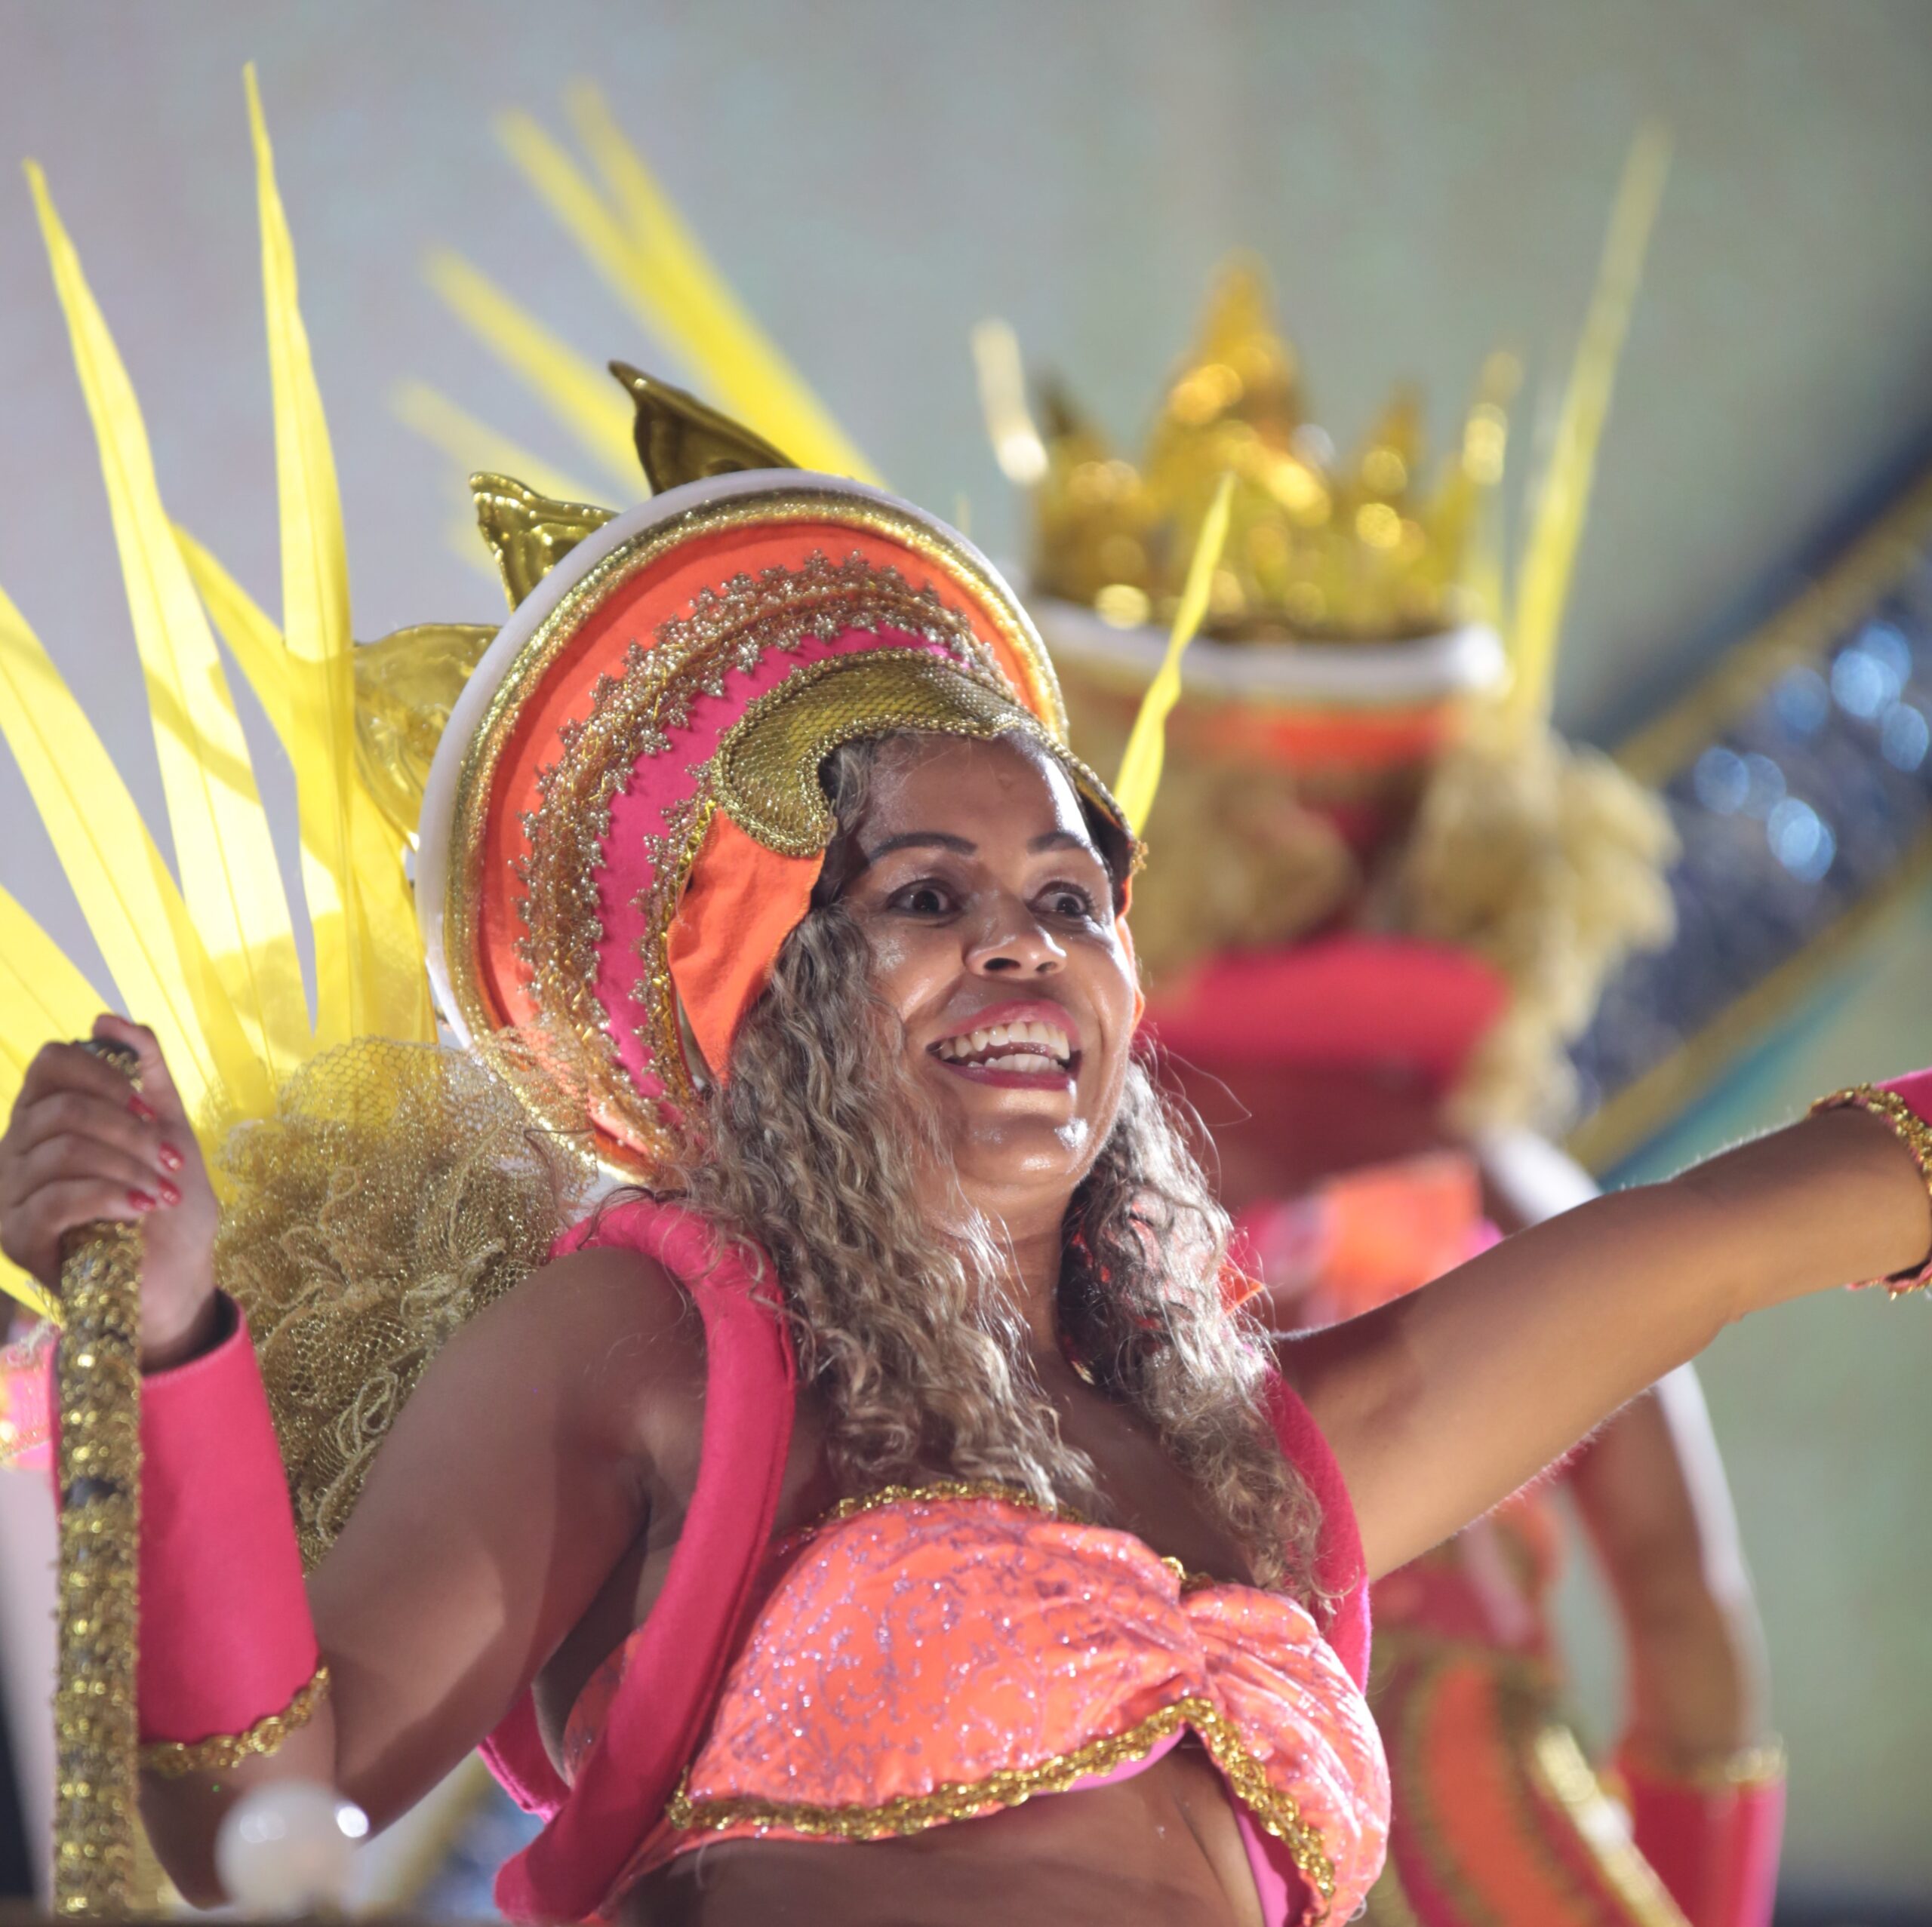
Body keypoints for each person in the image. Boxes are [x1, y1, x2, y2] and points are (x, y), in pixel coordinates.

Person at [4, 416, 1930, 1927]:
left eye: (1070, 900)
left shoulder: (1250, 1469)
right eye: (925, 897)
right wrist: (168, 1339)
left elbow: (1727, 1232)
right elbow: (258, 1811)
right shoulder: (641, 1351)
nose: (1020, 941)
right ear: (763, 1001)